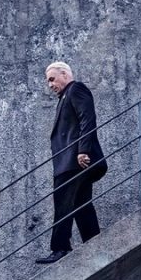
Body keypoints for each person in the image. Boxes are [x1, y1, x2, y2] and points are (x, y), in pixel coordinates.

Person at [37, 61, 106, 265]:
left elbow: (87, 118)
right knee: (82, 205)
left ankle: (60, 247)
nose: (50, 85)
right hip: (69, 162)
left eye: (52, 79)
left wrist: (83, 150)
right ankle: (94, 243)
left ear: (65, 74)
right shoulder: (64, 97)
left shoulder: (76, 89)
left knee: (63, 203)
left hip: (72, 161)